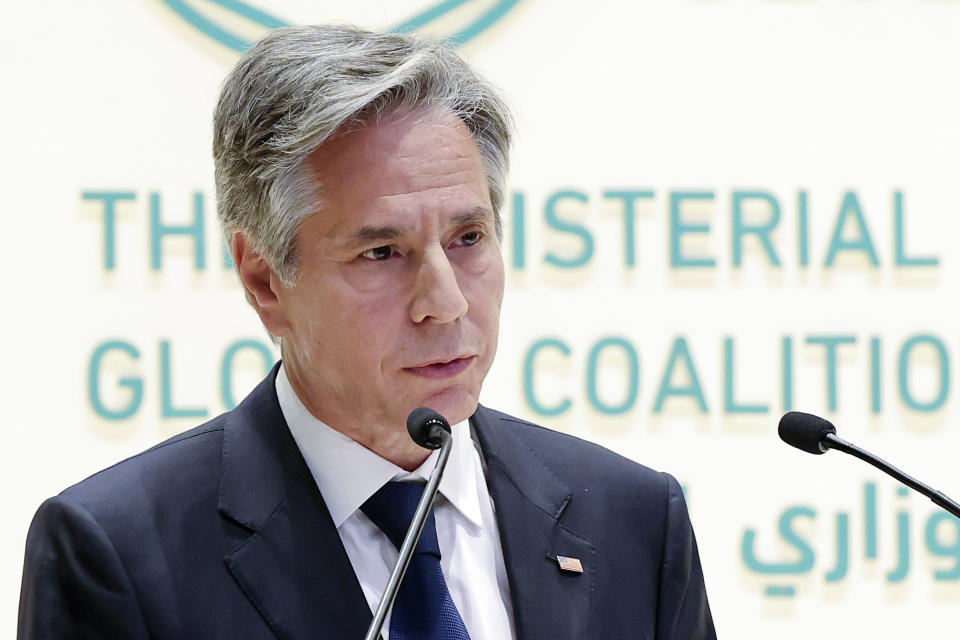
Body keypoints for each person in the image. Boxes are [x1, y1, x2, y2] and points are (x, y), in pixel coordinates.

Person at [18, 24, 715, 639]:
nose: (444, 303)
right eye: (381, 253)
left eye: (469, 237)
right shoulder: (120, 554)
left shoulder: (635, 525)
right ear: (265, 281)